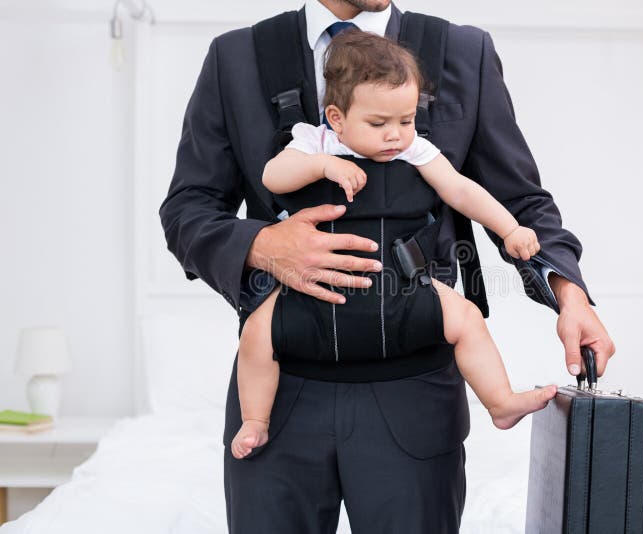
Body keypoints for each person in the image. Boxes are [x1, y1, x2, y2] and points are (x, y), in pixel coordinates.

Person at [159, 0, 616, 532]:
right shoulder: (234, 56)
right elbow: (187, 209)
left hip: (415, 383)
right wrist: (264, 245)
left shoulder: (463, 51)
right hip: (280, 383)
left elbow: (518, 202)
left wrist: (569, 293)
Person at [230, 29, 560, 460]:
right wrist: (323, 166)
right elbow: (273, 178)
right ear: (336, 118)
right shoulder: (314, 142)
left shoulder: (414, 150)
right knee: (256, 333)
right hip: (310, 292)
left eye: (405, 121)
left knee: (466, 318)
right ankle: (255, 419)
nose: (395, 135)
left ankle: (499, 401)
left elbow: (461, 190)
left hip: (399, 288)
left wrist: (510, 228)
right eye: (379, 124)